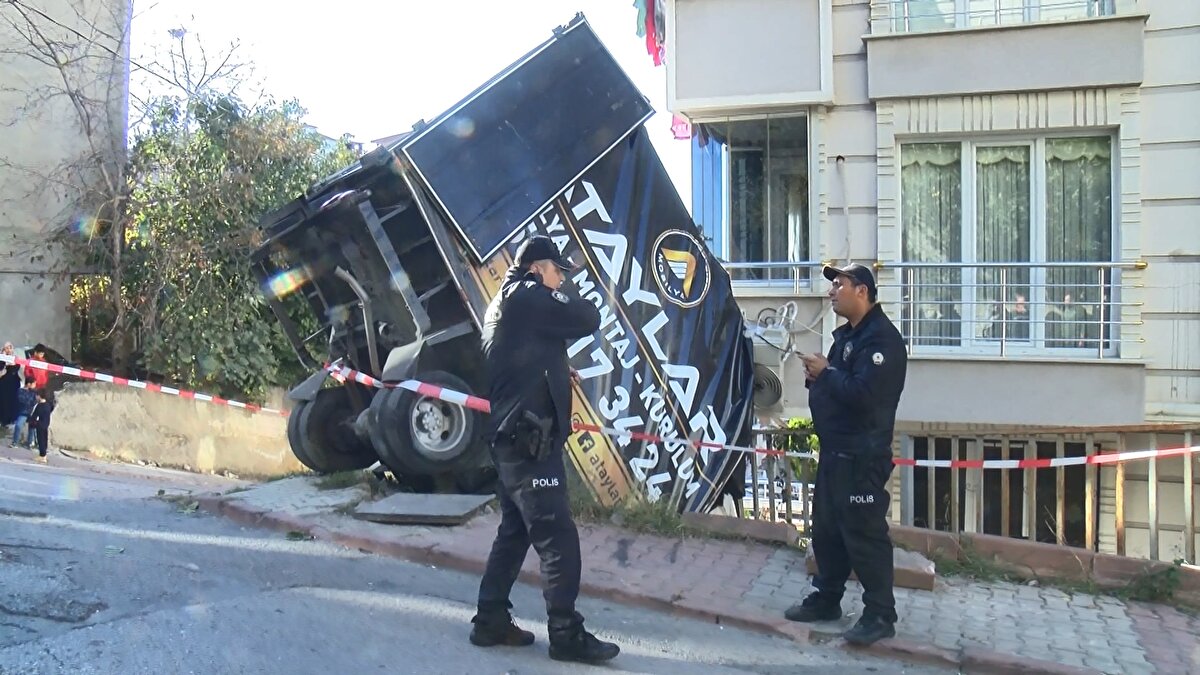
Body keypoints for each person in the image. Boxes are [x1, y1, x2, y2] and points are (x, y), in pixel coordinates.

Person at [470, 235, 619, 664]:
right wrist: (570, 298)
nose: (561, 282)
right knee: (557, 536)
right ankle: (566, 634)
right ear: (538, 268)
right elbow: (585, 317)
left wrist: (553, 369)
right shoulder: (527, 293)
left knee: (515, 533)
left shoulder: (509, 301)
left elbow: (521, 355)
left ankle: (490, 619)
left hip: (512, 440)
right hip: (528, 444)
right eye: (559, 273)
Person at [786, 263, 908, 646]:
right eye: (831, 285)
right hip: (836, 453)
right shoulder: (850, 337)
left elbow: (866, 397)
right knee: (827, 530)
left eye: (839, 284)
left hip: (862, 456)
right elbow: (840, 383)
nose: (831, 291)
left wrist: (827, 374)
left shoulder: (882, 341)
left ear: (862, 291)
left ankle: (879, 614)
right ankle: (827, 598)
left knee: (864, 533)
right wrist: (818, 378)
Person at [27, 389, 55, 464]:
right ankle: (43, 455)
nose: (36, 397)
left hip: (39, 424)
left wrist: (32, 422)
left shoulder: (40, 406)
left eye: (37, 395)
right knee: (44, 439)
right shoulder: (48, 405)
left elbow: (35, 415)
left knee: (40, 440)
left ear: (39, 396)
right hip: (46, 424)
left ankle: (42, 456)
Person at [11, 379, 37, 448]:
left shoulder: (34, 392)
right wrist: (30, 402)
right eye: (34, 384)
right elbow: (22, 400)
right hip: (23, 411)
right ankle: (15, 442)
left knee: (32, 428)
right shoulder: (20, 390)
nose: (35, 386)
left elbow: (34, 401)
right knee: (18, 426)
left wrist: (31, 402)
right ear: (28, 384)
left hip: (31, 412)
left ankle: (29, 444)